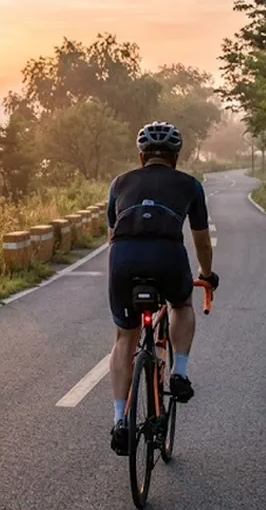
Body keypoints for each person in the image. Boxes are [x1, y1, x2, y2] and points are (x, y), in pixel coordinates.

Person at [105, 121, 219, 456]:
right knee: (181, 305)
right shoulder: (190, 185)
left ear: (141, 157)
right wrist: (207, 275)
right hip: (168, 258)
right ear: (176, 157)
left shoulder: (119, 183)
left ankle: (119, 420)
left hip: (123, 260)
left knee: (124, 337)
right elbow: (201, 241)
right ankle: (179, 372)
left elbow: (112, 235)